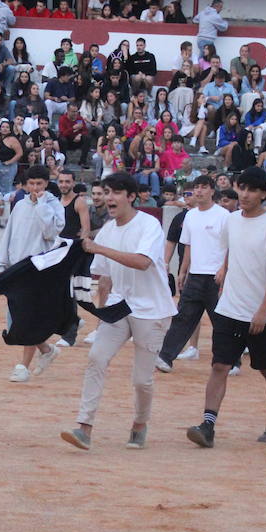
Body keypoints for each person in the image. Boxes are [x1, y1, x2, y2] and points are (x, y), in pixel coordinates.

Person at [62, 173, 177, 451]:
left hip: (151, 309)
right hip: (119, 306)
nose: (109, 198)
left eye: (115, 193)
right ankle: (84, 427)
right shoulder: (109, 230)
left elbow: (142, 262)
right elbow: (104, 277)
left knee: (141, 379)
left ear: (131, 196)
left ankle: (139, 424)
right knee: (96, 358)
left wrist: (99, 246)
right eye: (105, 192)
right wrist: (102, 314)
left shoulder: (148, 224)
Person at [185, 168, 266, 447]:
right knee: (219, 365)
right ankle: (208, 424)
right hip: (229, 309)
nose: (244, 194)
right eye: (241, 188)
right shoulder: (231, 221)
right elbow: (230, 250)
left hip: (261, 315)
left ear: (264, 194)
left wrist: (263, 308)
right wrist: (224, 270)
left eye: (251, 190)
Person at [0, 165, 62, 383]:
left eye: (39, 184)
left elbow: (50, 232)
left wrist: (42, 204)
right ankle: (46, 349)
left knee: (27, 318)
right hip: (17, 270)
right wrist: (1, 263)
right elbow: (9, 235)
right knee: (16, 320)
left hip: (40, 270)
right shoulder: (20, 206)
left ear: (46, 184)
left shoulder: (54, 205)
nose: (35, 188)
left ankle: (23, 366)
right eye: (31, 184)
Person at [155, 174, 228, 371]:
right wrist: (183, 271)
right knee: (183, 316)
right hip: (195, 274)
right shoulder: (190, 216)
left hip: (216, 275)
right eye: (196, 187)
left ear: (212, 191)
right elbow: (188, 245)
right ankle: (166, 356)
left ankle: (231, 361)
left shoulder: (223, 216)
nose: (199, 191)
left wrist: (224, 270)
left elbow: (231, 247)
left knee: (221, 320)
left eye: (204, 187)